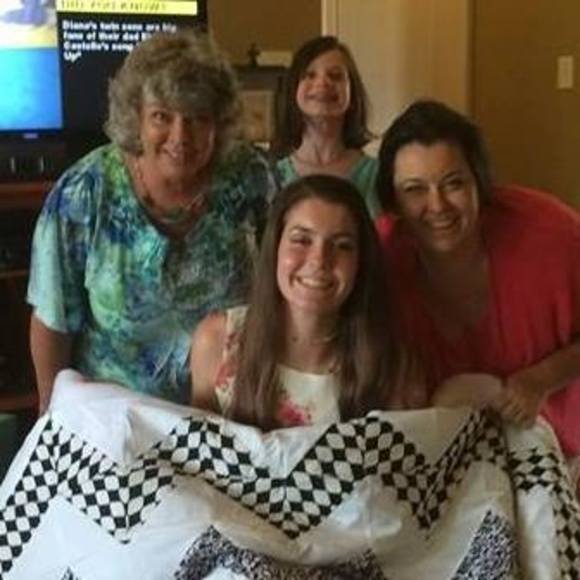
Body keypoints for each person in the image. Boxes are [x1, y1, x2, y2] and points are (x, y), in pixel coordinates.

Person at [27, 29, 277, 413]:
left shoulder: (251, 178)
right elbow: (52, 320)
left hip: (231, 412)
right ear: (136, 118)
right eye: (162, 116)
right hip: (116, 418)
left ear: (218, 122)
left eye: (197, 118)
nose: (180, 136)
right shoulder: (84, 193)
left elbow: (285, 284)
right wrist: (52, 416)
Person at [375, 99, 580, 485]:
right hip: (451, 465)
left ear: (479, 184)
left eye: (453, 184)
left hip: (566, 456)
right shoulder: (380, 258)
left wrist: (542, 378)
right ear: (394, 202)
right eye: (415, 189)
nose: (437, 205)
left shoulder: (553, 236)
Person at [190, 174, 418, 430]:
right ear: (275, 247)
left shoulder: (393, 365)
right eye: (301, 240)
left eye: (342, 245)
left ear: (361, 262)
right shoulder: (217, 342)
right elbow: (198, 451)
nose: (319, 260)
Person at [275, 36, 382, 219]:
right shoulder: (273, 176)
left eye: (335, 76)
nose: (323, 82)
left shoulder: (377, 174)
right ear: (293, 91)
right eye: (310, 75)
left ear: (352, 94)